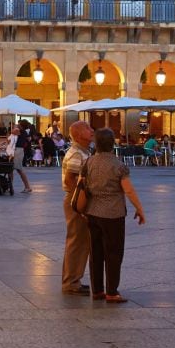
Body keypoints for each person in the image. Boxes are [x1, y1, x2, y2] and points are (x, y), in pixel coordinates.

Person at [84, 127, 146, 303]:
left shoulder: (88, 162)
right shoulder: (118, 165)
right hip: (113, 214)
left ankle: (97, 290)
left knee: (95, 252)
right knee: (113, 252)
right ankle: (111, 291)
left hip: (92, 212)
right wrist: (139, 208)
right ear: (112, 144)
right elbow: (129, 190)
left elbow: (82, 185)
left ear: (96, 143)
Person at [61, 120, 94, 295]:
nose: (92, 130)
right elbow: (69, 180)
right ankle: (71, 282)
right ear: (79, 134)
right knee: (77, 241)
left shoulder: (83, 152)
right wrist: (81, 200)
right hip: (76, 200)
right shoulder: (76, 153)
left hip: (77, 198)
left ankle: (74, 279)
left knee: (81, 241)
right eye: (88, 128)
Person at [7, 126, 33, 193]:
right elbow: (29, 139)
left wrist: (11, 133)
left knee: (19, 169)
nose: (14, 127)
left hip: (17, 150)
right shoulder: (24, 132)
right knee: (11, 169)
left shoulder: (19, 131)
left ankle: (27, 187)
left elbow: (10, 138)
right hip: (17, 150)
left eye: (16, 125)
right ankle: (10, 186)